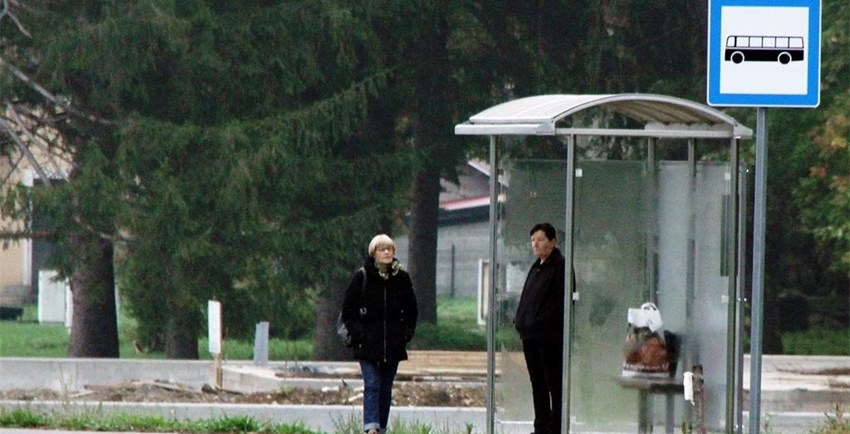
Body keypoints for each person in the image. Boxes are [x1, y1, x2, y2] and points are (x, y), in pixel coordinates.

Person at [340, 234, 418, 434]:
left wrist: (405, 334)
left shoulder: (402, 278)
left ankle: (381, 427)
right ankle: (371, 427)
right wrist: (359, 333)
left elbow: (411, 310)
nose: (386, 252)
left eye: (389, 249)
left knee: (385, 389)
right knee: (372, 384)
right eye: (382, 249)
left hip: (393, 344)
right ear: (373, 252)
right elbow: (348, 309)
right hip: (367, 344)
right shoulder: (363, 276)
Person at [514, 222, 566, 434]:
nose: (535, 244)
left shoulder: (560, 266)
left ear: (552, 242)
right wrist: (521, 320)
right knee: (537, 383)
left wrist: (541, 322)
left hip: (549, 337)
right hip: (530, 336)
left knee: (553, 382)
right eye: (533, 240)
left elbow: (561, 303)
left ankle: (555, 426)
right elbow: (528, 298)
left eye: (540, 240)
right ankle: (540, 425)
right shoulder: (536, 267)